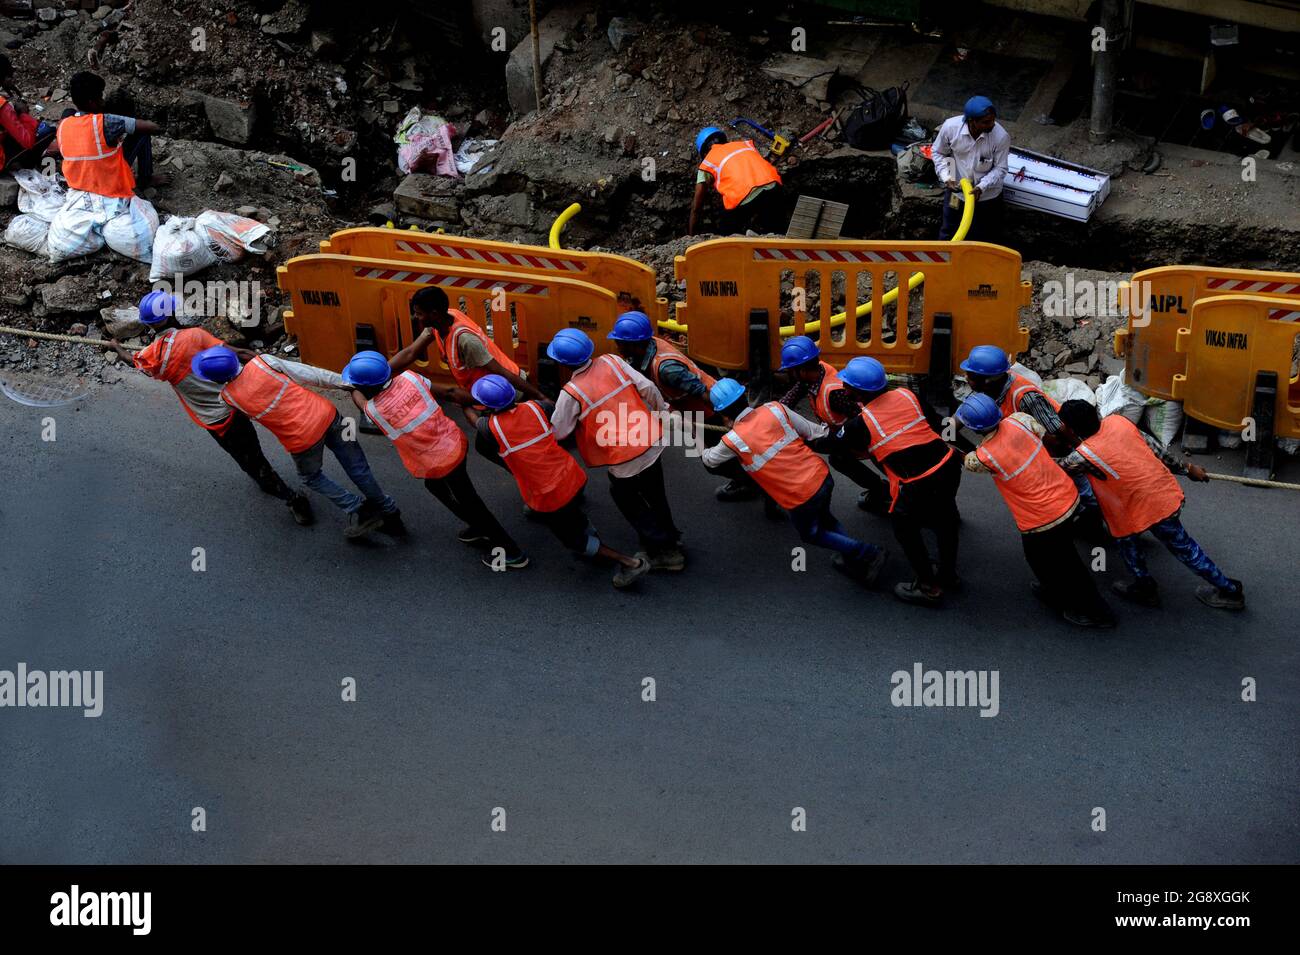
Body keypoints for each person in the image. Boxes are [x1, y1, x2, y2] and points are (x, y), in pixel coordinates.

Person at [106, 291, 312, 525]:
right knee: (254, 451)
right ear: (171, 313)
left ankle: (284, 493)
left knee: (247, 459)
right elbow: (239, 354)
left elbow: (131, 360)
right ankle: (283, 491)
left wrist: (116, 347)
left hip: (214, 422)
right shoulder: (194, 336)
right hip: (234, 407)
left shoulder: (153, 356)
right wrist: (273, 368)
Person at [341, 348, 527, 570]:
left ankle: (510, 551)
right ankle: (478, 527)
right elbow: (449, 392)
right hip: (453, 444)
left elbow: (360, 402)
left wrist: (350, 387)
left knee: (470, 501)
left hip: (438, 463)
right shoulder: (411, 378)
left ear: (364, 386)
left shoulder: (375, 410)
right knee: (440, 489)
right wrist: (488, 403)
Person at [191, 345, 400, 539]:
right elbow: (312, 374)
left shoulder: (227, 398)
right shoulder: (265, 362)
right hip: (329, 416)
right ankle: (389, 510)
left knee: (311, 477)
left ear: (215, 381)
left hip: (302, 440)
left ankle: (358, 508)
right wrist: (350, 384)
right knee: (358, 468)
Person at [463, 374, 651, 589]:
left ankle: (630, 563)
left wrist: (462, 403)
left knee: (574, 541)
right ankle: (590, 537)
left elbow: (474, 422)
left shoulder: (492, 429)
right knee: (573, 514)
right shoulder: (536, 407)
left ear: (484, 406)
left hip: (549, 495)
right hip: (571, 475)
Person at [1056, 399, 1244, 610]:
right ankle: (1226, 587)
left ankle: (1148, 587)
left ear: (1072, 430)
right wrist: (1188, 468)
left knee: (1128, 545)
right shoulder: (1119, 422)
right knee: (1186, 550)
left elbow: (1059, 469)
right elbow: (1159, 452)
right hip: (1162, 498)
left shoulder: (1083, 456)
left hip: (1130, 510)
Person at [702, 378, 889, 584]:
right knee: (825, 517)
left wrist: (720, 438)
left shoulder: (733, 440)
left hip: (800, 496)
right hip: (821, 476)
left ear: (723, 413)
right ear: (744, 396)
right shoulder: (775, 408)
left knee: (811, 534)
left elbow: (709, 460)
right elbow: (814, 432)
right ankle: (850, 554)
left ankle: (868, 553)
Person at [956, 393, 1114, 628]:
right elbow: (1041, 434)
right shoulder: (1019, 419)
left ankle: (1095, 612)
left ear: (973, 428)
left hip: (1042, 519)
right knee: (1044, 556)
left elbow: (966, 459)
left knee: (1064, 563)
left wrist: (947, 441)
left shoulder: (984, 457)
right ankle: (1053, 589)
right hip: (1066, 496)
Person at [817, 357, 961, 606]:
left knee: (905, 528)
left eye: (848, 386)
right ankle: (948, 574)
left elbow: (836, 446)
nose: (844, 389)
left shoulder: (861, 423)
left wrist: (806, 439)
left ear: (858, 391)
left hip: (917, 482)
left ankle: (928, 587)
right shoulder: (906, 395)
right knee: (946, 520)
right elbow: (934, 422)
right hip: (948, 465)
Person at [548, 328, 685, 572]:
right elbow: (648, 389)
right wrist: (662, 411)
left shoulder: (571, 392)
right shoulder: (612, 361)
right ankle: (671, 536)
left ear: (560, 362)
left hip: (624, 458)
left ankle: (664, 551)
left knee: (627, 499)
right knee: (655, 493)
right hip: (650, 441)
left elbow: (559, 432)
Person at [959, 343, 1105, 539]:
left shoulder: (1027, 398)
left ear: (986, 380)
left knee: (1084, 491)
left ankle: (1098, 524)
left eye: (970, 375)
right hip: (1038, 448)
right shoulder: (991, 389)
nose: (965, 378)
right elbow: (965, 413)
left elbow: (1058, 431)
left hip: (1056, 449)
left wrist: (1084, 453)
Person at [777, 335, 889, 514]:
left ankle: (888, 493)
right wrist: (769, 414)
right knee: (839, 458)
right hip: (849, 434)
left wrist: (828, 442)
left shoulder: (835, 393)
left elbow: (861, 421)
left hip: (866, 435)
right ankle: (884, 490)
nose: (789, 374)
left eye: (791, 370)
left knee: (874, 460)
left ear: (802, 370)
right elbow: (787, 401)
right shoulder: (813, 377)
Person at [407, 285, 543, 400]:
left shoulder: (466, 340)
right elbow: (410, 352)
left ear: (434, 314)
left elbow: (501, 371)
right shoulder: (442, 320)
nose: (415, 317)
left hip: (509, 393)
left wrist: (540, 398)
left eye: (419, 314)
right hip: (489, 393)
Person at [50, 71, 166, 195]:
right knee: (142, 133)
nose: (103, 100)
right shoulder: (105, 121)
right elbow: (152, 127)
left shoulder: (64, 124)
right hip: (108, 182)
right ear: (91, 102)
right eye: (100, 96)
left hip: (78, 183)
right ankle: (145, 179)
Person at [932, 95, 1010, 243]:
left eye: (993, 119)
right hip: (957, 193)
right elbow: (939, 152)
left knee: (982, 237)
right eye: (986, 122)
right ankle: (944, 263)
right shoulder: (950, 128)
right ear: (971, 121)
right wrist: (947, 176)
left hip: (987, 198)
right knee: (949, 231)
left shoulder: (1000, 137)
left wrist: (982, 187)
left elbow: (1001, 168)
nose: (992, 124)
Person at [688, 125, 783, 236]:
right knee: (777, 231)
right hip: (773, 188)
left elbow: (696, 207)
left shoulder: (707, 163)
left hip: (743, 198)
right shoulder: (743, 145)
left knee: (726, 233)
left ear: (704, 152)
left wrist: (690, 237)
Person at [0, 54, 41, 170]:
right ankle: (34, 168)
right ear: (6, 77)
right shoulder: (2, 106)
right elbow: (28, 141)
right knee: (46, 133)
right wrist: (24, 114)